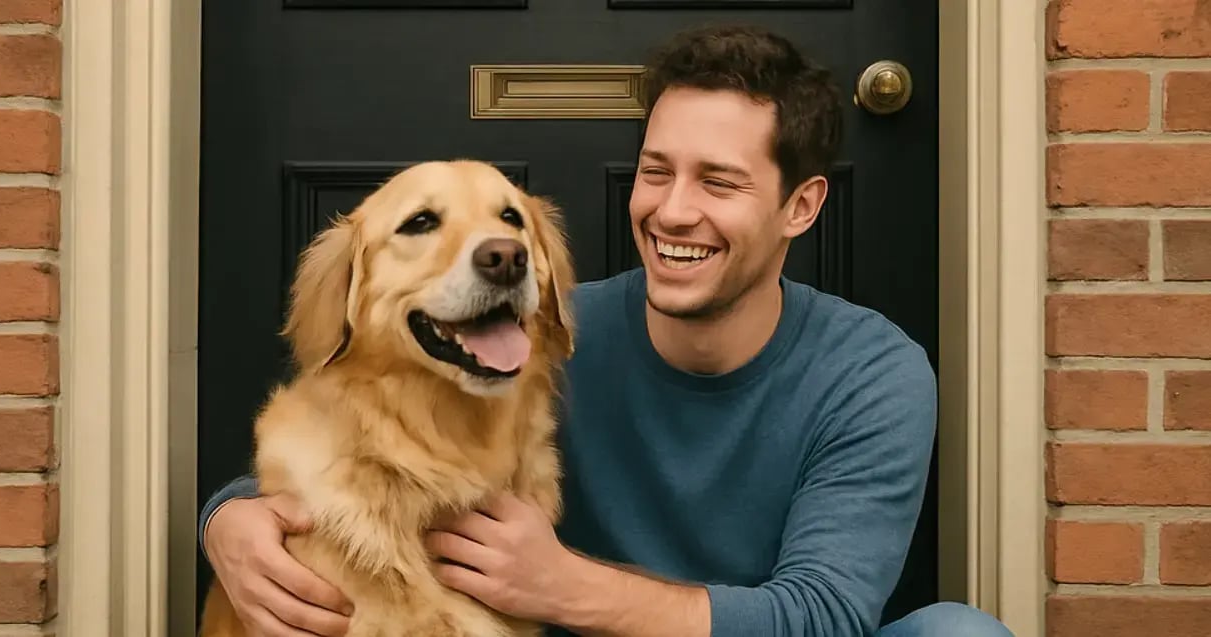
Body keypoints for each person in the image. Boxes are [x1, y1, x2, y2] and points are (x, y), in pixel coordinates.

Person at [198, 24, 1014, 637]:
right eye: (657, 170)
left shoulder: (871, 370)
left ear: (800, 205)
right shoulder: (531, 339)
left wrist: (561, 586)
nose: (672, 209)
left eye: (718, 182)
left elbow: (825, 613)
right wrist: (231, 519)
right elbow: (358, 434)